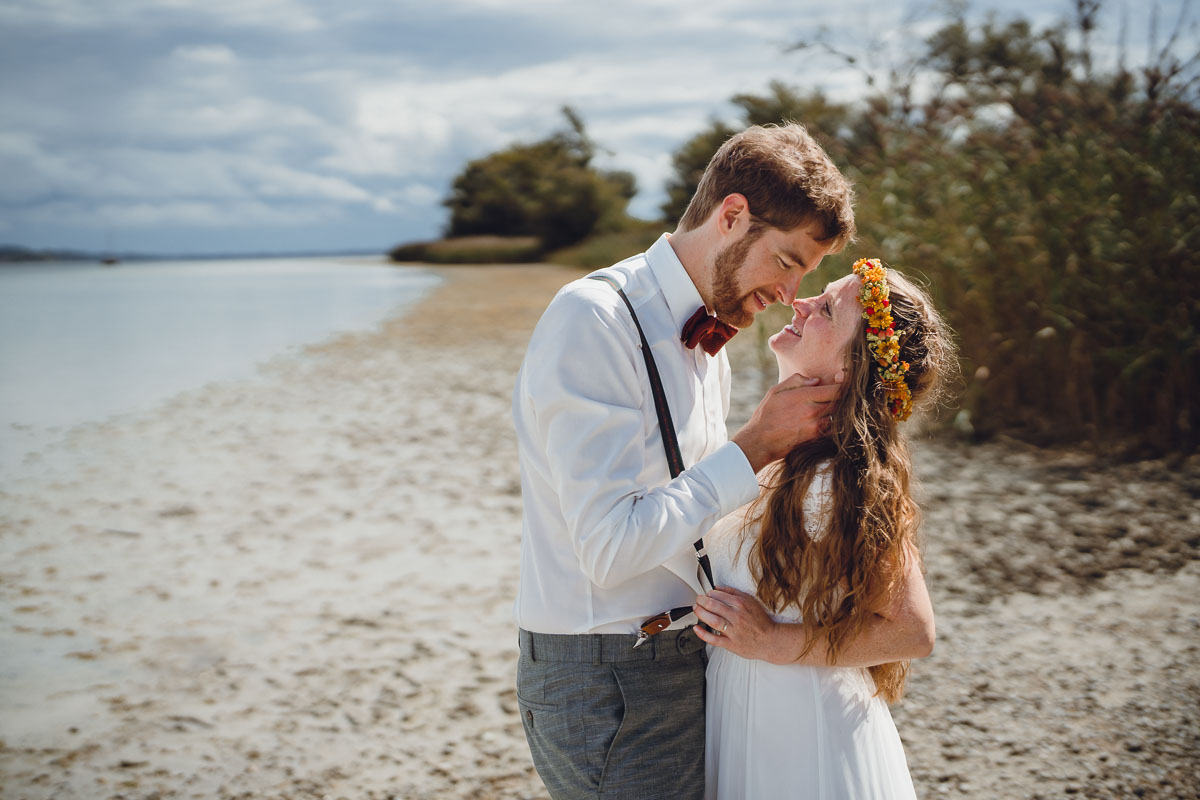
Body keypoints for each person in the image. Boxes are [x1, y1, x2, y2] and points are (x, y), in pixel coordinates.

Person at [511, 123, 855, 799]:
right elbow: (608, 550)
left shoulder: (710, 338)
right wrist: (754, 446)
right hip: (605, 672)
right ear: (732, 216)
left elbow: (698, 507)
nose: (790, 293)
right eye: (786, 262)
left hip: (691, 655)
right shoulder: (594, 319)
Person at [691, 259, 956, 799]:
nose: (801, 302)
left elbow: (914, 631)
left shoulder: (840, 476)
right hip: (746, 711)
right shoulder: (782, 447)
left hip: (804, 731)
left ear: (848, 370)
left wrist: (775, 641)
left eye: (827, 309)